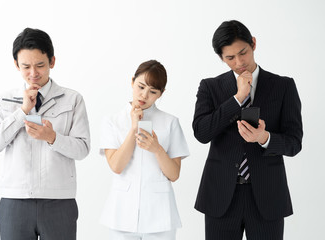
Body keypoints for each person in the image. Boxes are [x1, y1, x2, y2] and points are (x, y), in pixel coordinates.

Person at [192, 20, 303, 240]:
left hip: (267, 197)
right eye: (230, 58)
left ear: (253, 43)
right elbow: (201, 133)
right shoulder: (210, 87)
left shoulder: (283, 86)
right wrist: (237, 98)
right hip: (221, 196)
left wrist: (265, 138)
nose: (239, 62)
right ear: (221, 58)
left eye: (243, 52)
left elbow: (294, 143)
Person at [0, 28, 90, 240]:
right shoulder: (4, 100)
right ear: (16, 65)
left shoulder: (72, 99)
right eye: (26, 66)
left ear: (52, 61)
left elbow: (83, 149)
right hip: (15, 200)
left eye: (40, 65)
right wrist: (21, 112)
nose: (33, 73)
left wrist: (52, 137)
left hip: (59, 200)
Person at [99, 60, 189, 240]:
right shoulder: (112, 121)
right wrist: (133, 128)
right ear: (132, 81)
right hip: (121, 214)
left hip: (160, 215)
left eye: (153, 91)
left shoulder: (170, 122)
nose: (144, 95)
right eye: (140, 86)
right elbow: (116, 166)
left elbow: (174, 174)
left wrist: (157, 149)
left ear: (161, 94)